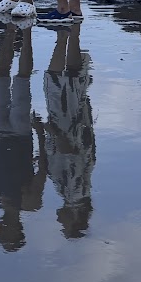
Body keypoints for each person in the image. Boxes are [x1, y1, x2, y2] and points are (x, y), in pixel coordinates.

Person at [0, 22, 46, 251]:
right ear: (18, 231)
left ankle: (12, 31)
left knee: (1, 75)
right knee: (22, 78)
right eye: (6, 236)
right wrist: (40, 132)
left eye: (1, 237)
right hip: (21, 134)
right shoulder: (31, 203)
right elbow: (43, 168)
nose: (1, 232)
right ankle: (27, 33)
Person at [41, 23, 95, 239]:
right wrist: (49, 131)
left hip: (73, 128)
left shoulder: (79, 193)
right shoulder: (74, 193)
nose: (58, 221)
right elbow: (70, 155)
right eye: (63, 226)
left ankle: (68, 35)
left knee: (70, 82)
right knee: (57, 82)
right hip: (66, 126)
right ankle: (64, 36)